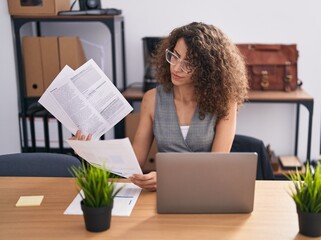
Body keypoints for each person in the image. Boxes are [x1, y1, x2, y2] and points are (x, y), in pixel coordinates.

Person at [71, 22, 248, 191]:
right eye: (175, 56)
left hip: (206, 190)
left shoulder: (224, 102)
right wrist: (90, 151)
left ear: (207, 69)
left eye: (189, 63)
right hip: (164, 194)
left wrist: (168, 178)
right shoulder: (152, 99)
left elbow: (216, 168)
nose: (176, 67)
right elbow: (134, 163)